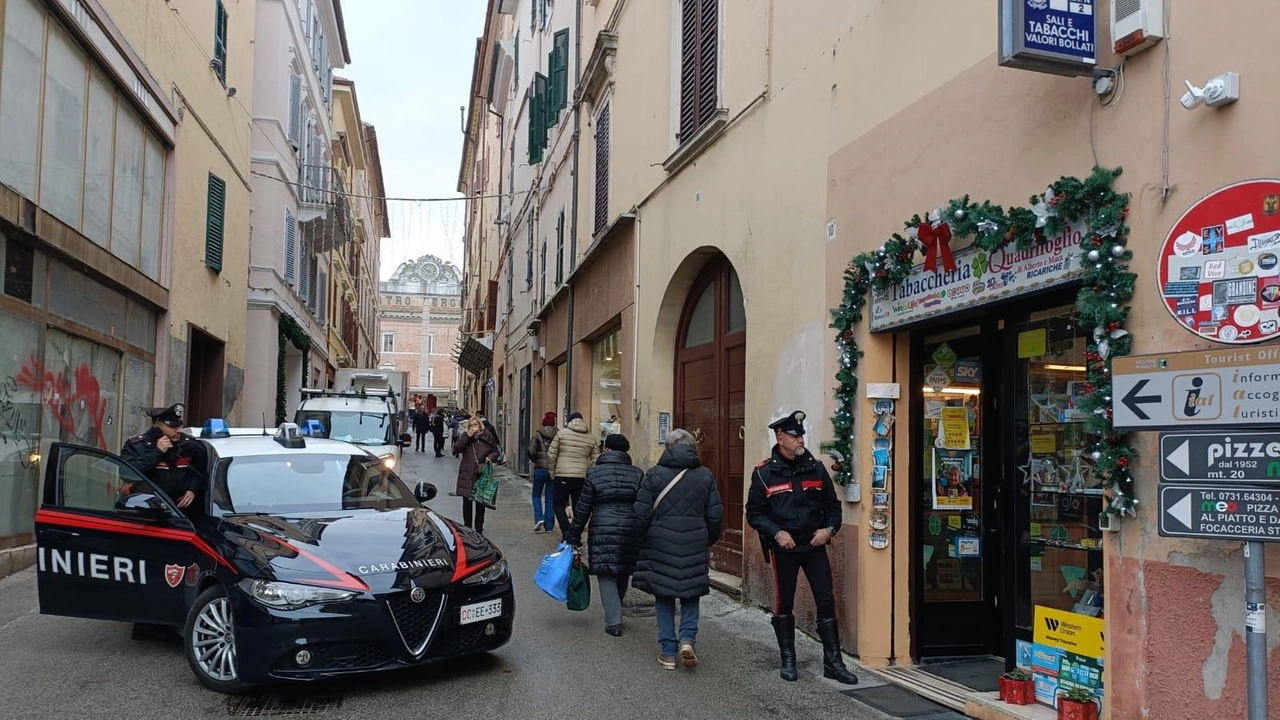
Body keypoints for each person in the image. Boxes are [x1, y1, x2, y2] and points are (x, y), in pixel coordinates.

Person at [745, 410, 858, 685]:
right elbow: (754, 513)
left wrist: (829, 531)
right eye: (794, 435)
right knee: (784, 602)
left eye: (802, 434)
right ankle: (788, 658)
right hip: (784, 547)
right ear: (779, 437)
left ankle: (833, 663)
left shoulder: (816, 468)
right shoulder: (764, 473)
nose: (800, 439)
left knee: (826, 600)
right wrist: (776, 532)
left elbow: (833, 508)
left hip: (814, 545)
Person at [633, 429, 722, 670]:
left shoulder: (653, 475)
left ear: (668, 447)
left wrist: (639, 542)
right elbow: (715, 514)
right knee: (691, 594)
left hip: (660, 543)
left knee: (664, 597)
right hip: (694, 541)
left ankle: (669, 653)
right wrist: (707, 539)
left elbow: (641, 515)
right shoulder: (705, 475)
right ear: (693, 448)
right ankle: (687, 639)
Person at [565, 433, 643, 636]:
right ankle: (615, 610)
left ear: (606, 449)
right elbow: (644, 506)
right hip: (629, 526)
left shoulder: (594, 473)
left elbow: (583, 507)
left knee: (606, 571)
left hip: (602, 527)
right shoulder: (637, 473)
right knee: (623, 569)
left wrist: (574, 535)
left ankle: (614, 621)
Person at [120, 403, 202, 511]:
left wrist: (192, 489)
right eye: (172, 427)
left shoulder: (188, 445)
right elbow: (127, 474)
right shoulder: (137, 446)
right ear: (157, 426)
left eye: (179, 426)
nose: (179, 430)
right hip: (146, 508)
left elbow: (199, 471)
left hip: (180, 510)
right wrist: (157, 452)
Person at [547, 411, 599, 538]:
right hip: (581, 477)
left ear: (569, 421)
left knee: (558, 504)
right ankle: (576, 535)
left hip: (562, 475)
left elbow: (551, 455)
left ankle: (566, 531)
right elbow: (596, 458)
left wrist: (553, 472)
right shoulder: (591, 437)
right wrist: (588, 472)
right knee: (579, 507)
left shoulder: (561, 434)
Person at [452, 416, 500, 533]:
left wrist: (490, 457)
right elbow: (456, 449)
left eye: (476, 425)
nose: (474, 428)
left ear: (480, 426)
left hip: (481, 473)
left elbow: (496, 451)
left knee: (480, 503)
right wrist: (467, 435)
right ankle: (467, 528)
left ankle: (479, 529)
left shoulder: (487, 437)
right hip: (467, 473)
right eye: (471, 425)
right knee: (467, 503)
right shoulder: (466, 437)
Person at [526, 412, 559, 532]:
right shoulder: (558, 434)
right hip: (553, 470)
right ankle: (549, 526)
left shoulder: (537, 434)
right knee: (550, 497)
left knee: (536, 495)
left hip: (540, 469)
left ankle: (539, 518)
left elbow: (531, 450)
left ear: (543, 423)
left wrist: (535, 460)